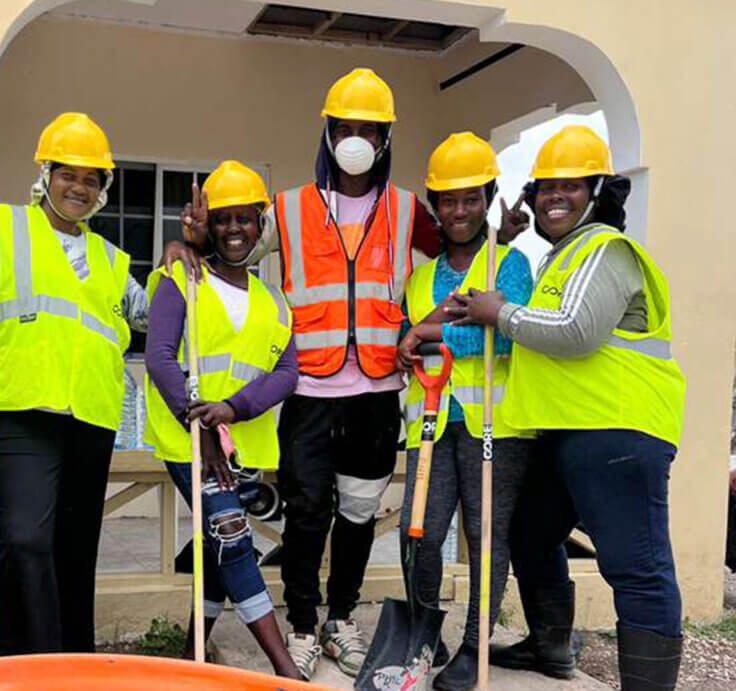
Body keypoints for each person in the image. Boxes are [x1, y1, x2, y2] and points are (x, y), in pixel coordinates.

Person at [166, 68, 529, 681]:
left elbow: (457, 247)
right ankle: (304, 624)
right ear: (328, 132)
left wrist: (505, 234)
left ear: (385, 138)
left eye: (369, 129)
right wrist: (189, 248)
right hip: (308, 388)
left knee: (360, 511)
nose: (356, 139)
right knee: (307, 513)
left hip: (377, 391)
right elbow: (236, 250)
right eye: (346, 128)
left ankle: (341, 618)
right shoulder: (287, 209)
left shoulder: (409, 209)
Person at [451, 125, 686, 690]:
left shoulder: (608, 251)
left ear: (597, 190)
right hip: (567, 434)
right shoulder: (563, 257)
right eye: (545, 188)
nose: (556, 197)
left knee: (637, 567)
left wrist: (499, 314)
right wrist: (504, 243)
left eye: (571, 187)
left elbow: (576, 331)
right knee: (532, 532)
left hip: (619, 430)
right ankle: (550, 645)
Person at [0, 112, 148, 656]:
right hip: (25, 407)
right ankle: (30, 658)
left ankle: (72, 658)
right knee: (24, 538)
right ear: (45, 174)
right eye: (70, 174)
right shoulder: (3, 226)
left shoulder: (111, 260)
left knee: (74, 549)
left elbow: (151, 315)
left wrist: (186, 258)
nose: (79, 188)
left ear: (102, 190)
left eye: (92, 179)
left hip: (92, 415)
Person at [144, 160, 301, 679]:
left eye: (245, 219)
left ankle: (193, 654)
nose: (235, 230)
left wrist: (234, 411)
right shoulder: (181, 277)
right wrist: (202, 428)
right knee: (233, 535)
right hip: (186, 442)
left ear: (262, 224)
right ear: (208, 225)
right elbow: (160, 357)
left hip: (243, 446)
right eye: (223, 219)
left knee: (216, 547)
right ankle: (284, 670)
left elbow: (286, 372)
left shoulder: (275, 301)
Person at [396, 132, 534, 690]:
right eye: (448, 200)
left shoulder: (511, 263)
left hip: (494, 428)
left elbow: (504, 340)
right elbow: (413, 347)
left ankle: (475, 646)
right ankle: (426, 634)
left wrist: (428, 329)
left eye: (471, 198)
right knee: (420, 535)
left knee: (486, 538)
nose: (459, 210)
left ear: (487, 198)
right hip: (430, 423)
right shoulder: (421, 277)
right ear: (435, 206)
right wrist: (436, 331)